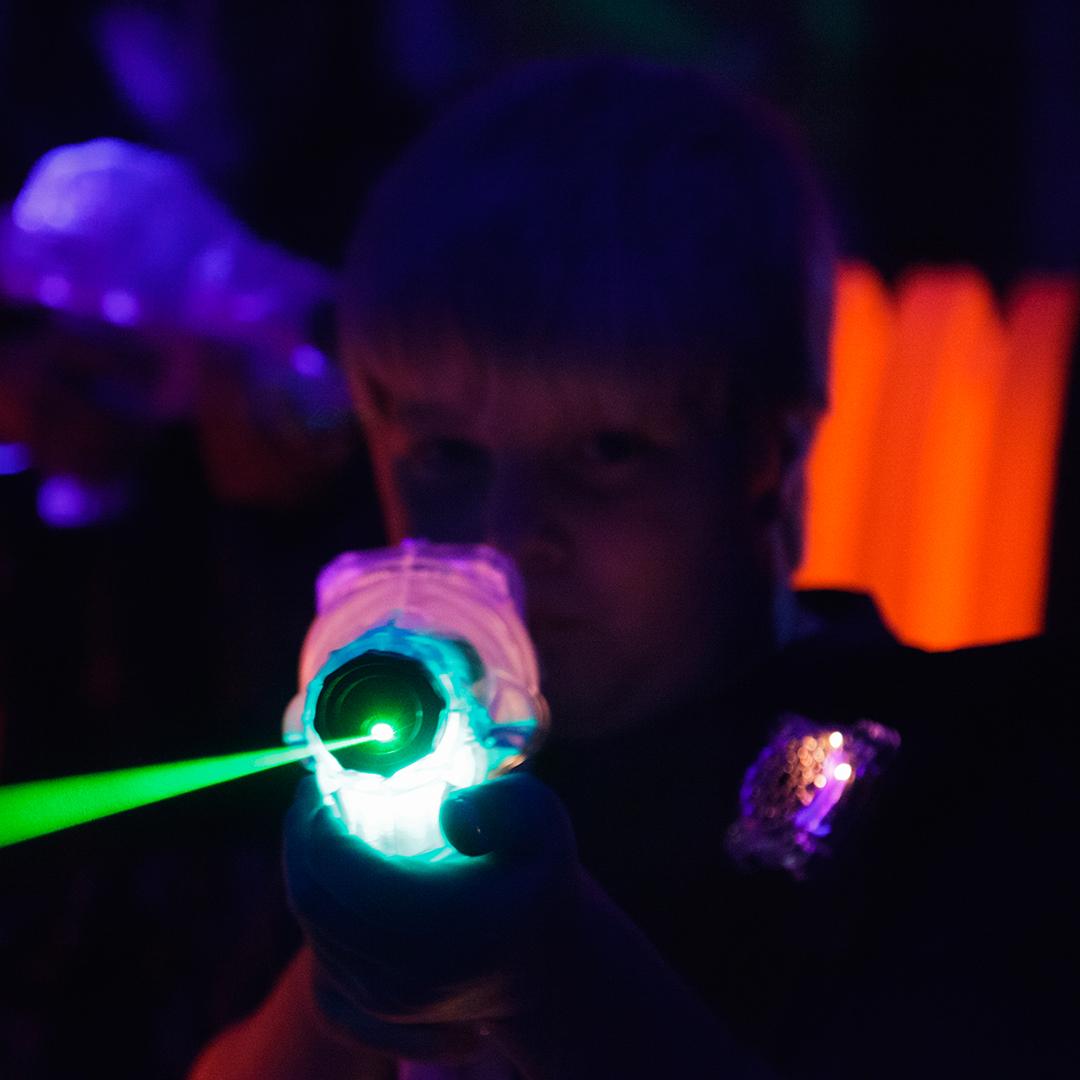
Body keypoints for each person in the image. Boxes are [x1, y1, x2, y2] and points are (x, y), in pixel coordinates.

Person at [191, 58, 1076, 1079]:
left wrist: (543, 975)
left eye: (606, 452)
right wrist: (346, 981)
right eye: (446, 454)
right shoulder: (373, 744)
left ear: (768, 455)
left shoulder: (973, 782)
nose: (506, 535)